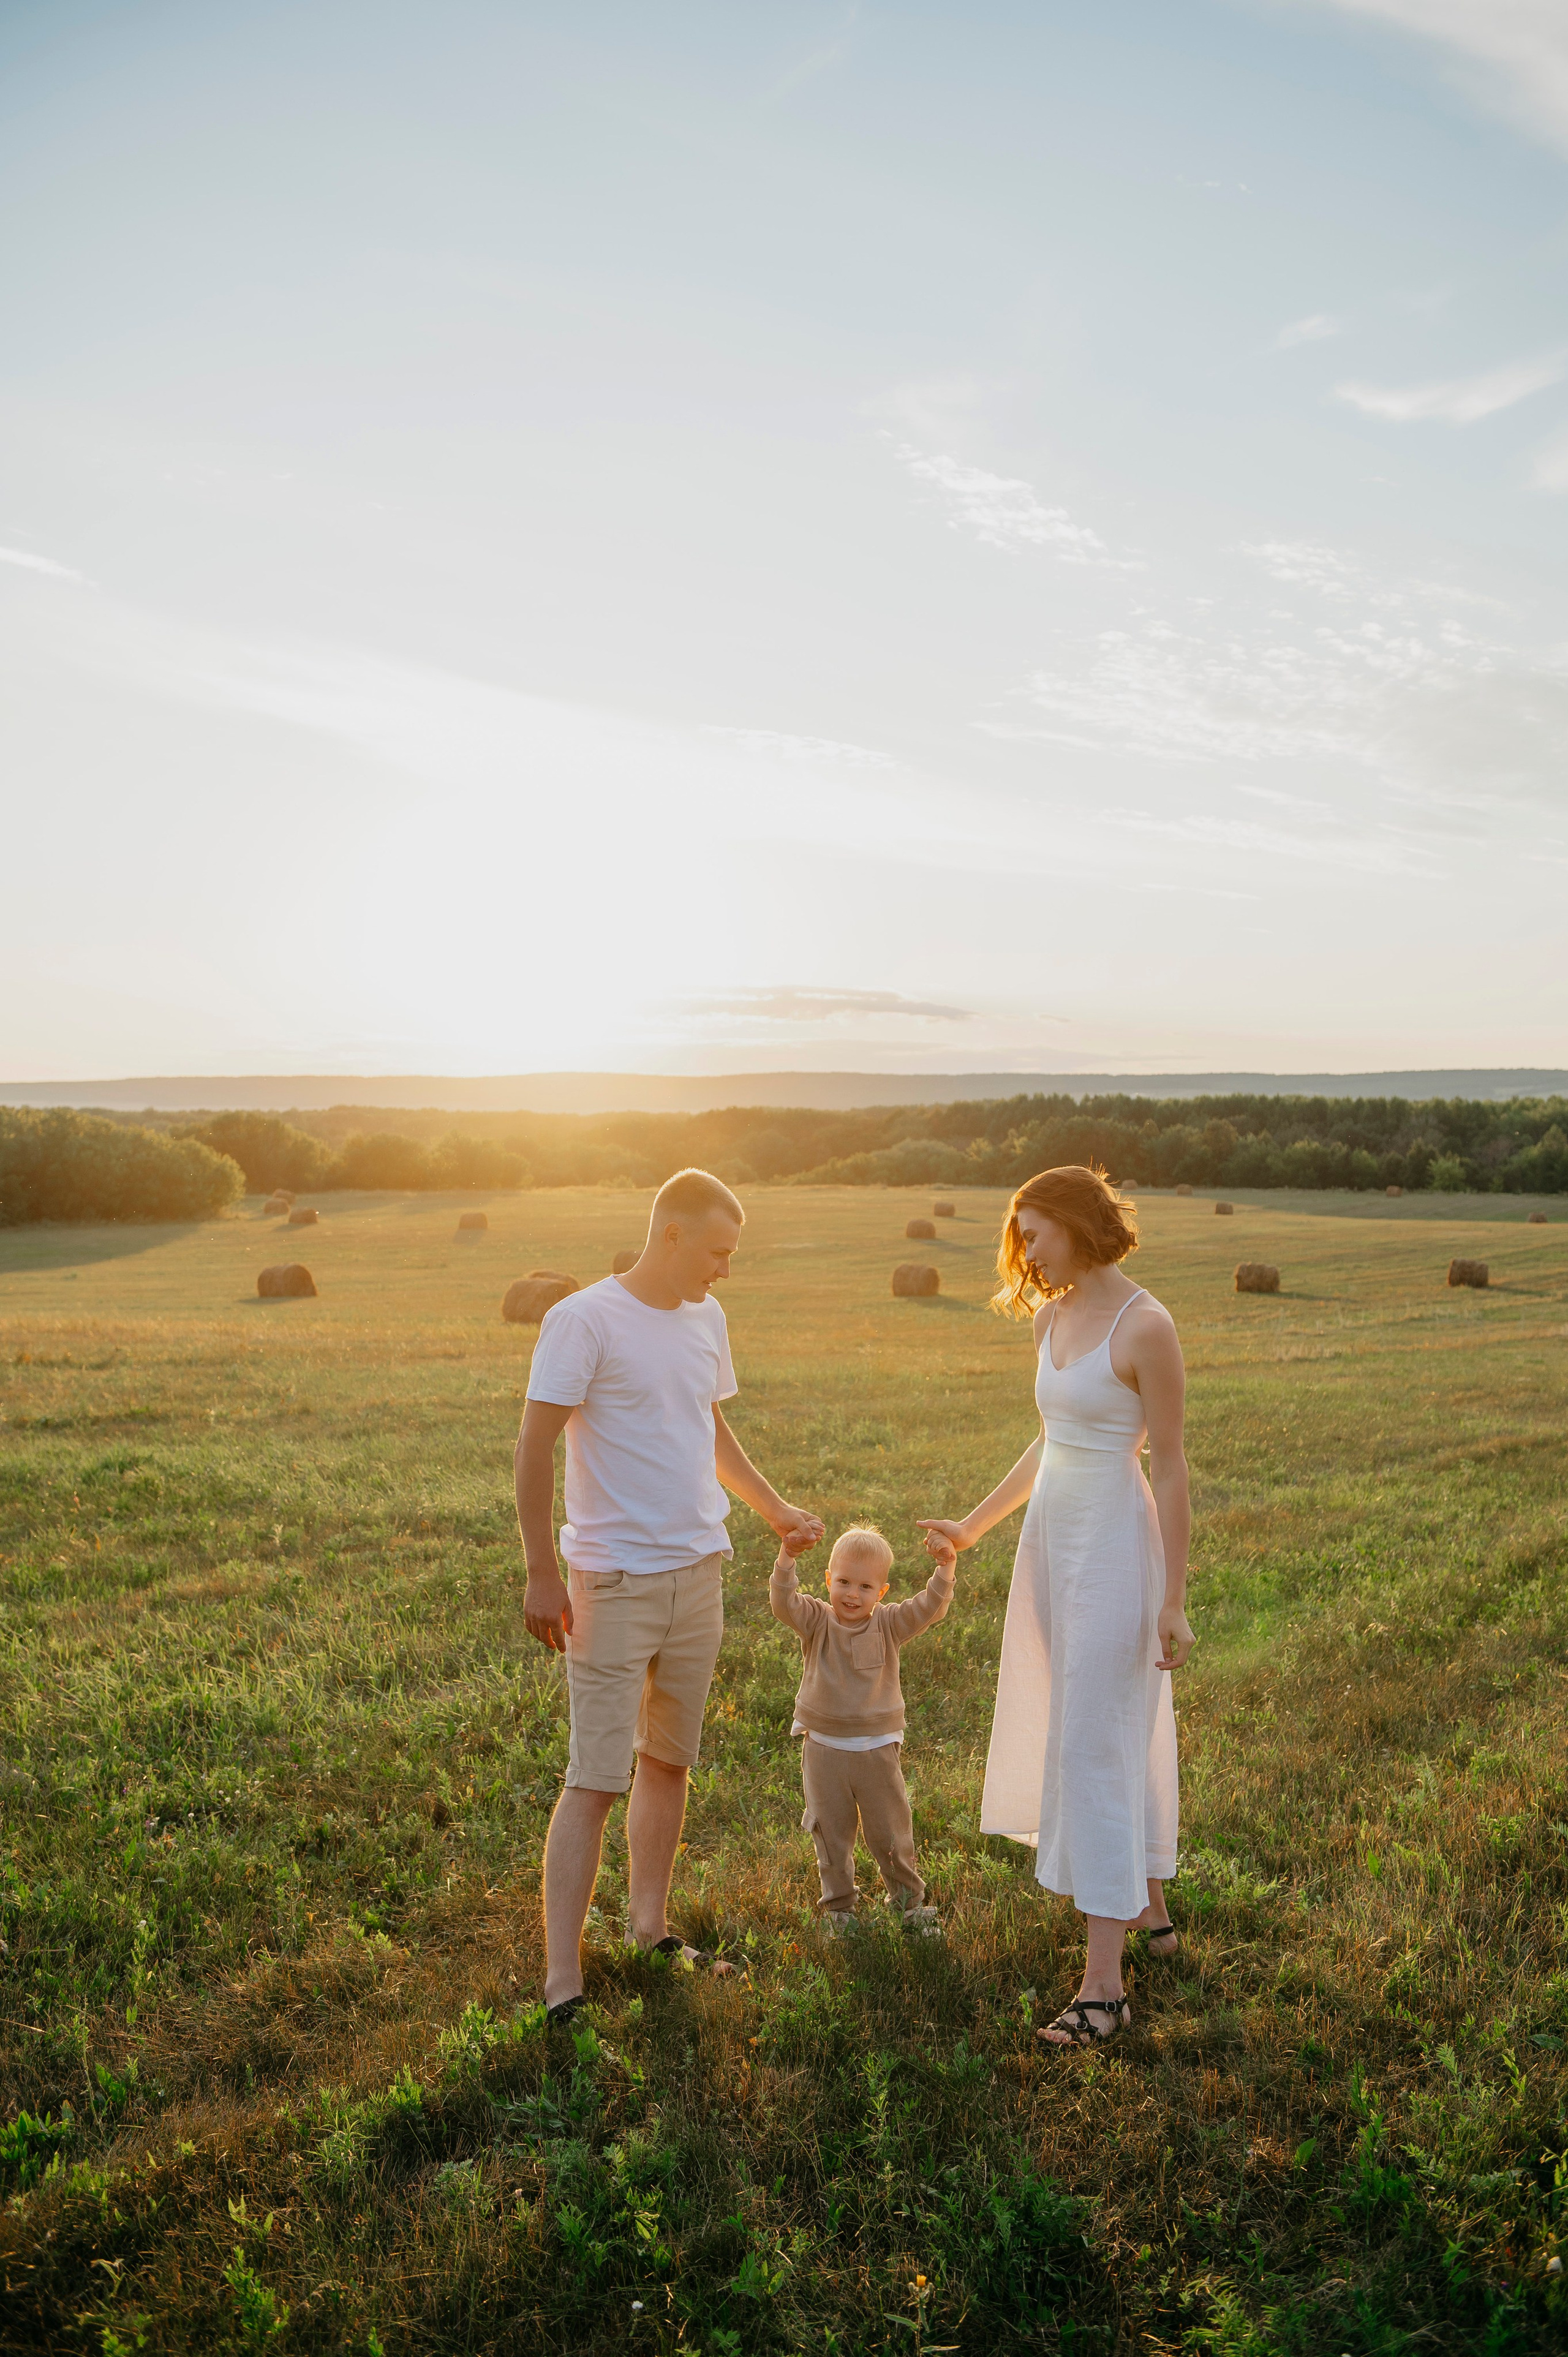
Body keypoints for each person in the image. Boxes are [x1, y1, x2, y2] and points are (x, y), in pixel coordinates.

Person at [515, 1167, 823, 2022]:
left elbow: (707, 1424)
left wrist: (774, 1508)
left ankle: (649, 1929)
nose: (726, 1269)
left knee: (669, 1762)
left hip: (699, 1571)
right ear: (672, 1234)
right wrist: (541, 1570)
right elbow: (534, 1445)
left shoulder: (705, 1317)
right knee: (595, 1779)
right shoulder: (583, 1319)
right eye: (719, 1252)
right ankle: (563, 1982)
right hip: (612, 1581)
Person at [918, 1165, 1193, 2046]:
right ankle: (1151, 1910)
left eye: (1034, 1233)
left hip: (1114, 1545)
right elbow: (1051, 1441)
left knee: (1094, 1740)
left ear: (1077, 1224)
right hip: (1051, 1543)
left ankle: (1103, 1990)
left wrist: (1174, 1597)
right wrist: (971, 1527)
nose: (1026, 1253)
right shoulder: (1049, 1318)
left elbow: (1170, 1466)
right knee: (1097, 1725)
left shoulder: (1145, 1325)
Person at [771, 1522, 956, 1934]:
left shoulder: (889, 1624)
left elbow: (929, 1607)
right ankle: (839, 1910)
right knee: (830, 1835)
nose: (852, 1594)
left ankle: (908, 1906)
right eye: (844, 1582)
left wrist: (945, 1568)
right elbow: (784, 1603)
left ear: (882, 1592)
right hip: (824, 1751)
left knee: (891, 1834)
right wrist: (787, 1558)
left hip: (876, 1752)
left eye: (865, 1587)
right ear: (828, 1580)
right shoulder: (817, 1620)